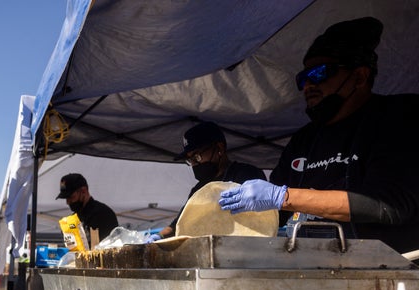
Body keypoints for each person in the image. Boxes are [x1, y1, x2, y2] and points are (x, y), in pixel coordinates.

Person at [218, 17, 419, 255]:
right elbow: (277, 214)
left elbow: (389, 206)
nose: (308, 85)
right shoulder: (304, 139)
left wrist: (284, 196)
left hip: (396, 274)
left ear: (360, 76)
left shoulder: (398, 116)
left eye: (319, 73)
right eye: (302, 78)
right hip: (318, 269)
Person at [153, 121, 266, 239]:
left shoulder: (246, 175)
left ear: (219, 148)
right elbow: (177, 225)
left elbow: (261, 219)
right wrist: (159, 236)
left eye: (197, 157)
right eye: (190, 160)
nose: (194, 164)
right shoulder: (198, 189)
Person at [56, 173, 119, 242]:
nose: (68, 202)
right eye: (66, 199)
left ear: (83, 191)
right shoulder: (75, 218)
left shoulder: (103, 214)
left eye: (71, 197)